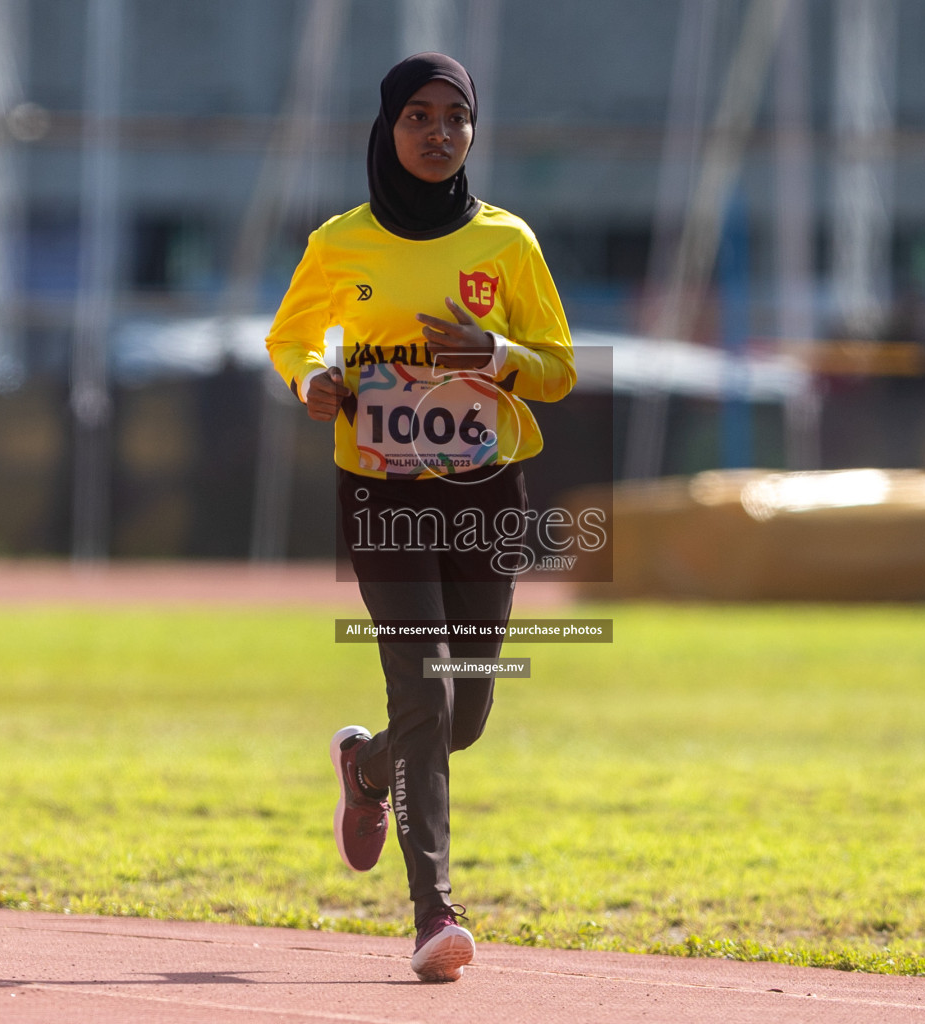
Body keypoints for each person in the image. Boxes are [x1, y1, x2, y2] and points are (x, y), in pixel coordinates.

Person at [265, 52, 575, 982]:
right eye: (417, 117)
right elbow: (288, 334)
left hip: (486, 493)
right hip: (381, 490)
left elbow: (559, 370)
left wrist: (498, 351)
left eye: (456, 117)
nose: (438, 134)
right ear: (386, 127)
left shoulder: (506, 244)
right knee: (424, 692)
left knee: (465, 712)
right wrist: (312, 379)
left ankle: (365, 771)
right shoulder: (340, 242)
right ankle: (433, 912)